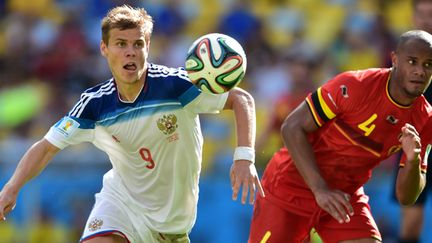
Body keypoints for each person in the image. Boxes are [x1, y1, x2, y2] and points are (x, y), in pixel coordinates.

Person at [0, 5, 264, 243]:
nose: (130, 52)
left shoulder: (175, 87)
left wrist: (244, 158)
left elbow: (241, 99)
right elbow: (46, 147)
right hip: (121, 206)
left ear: (148, 46)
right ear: (104, 48)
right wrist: (11, 188)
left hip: (172, 227)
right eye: (121, 44)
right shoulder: (94, 104)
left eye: (138, 44)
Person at [248, 29, 432, 243]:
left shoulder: (425, 119)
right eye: (412, 61)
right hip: (290, 186)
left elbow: (406, 197)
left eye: (428, 64)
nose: (420, 71)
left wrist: (413, 160)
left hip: (343, 196)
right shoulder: (354, 86)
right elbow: (291, 127)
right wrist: (320, 189)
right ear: (394, 60)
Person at [392, 1, 432, 242]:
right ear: (413, 17)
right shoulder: (403, 52)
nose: (427, 20)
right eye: (422, 14)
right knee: (410, 221)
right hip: (415, 143)